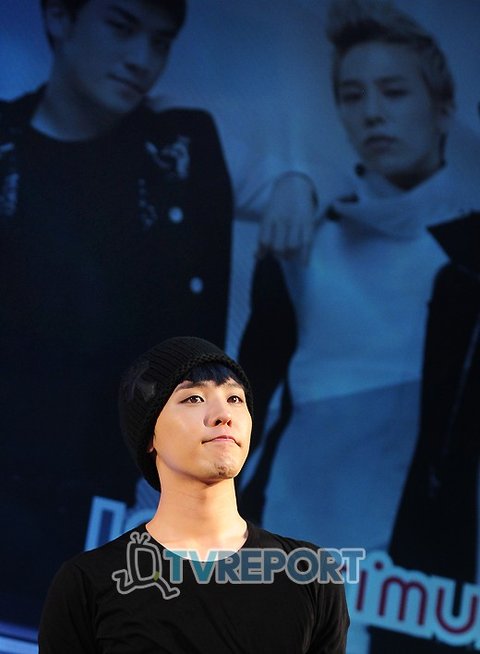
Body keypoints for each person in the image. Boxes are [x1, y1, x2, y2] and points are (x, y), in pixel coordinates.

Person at [0, 0, 315, 631]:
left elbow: (295, 178)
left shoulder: (181, 146)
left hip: (112, 500)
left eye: (161, 41)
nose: (142, 59)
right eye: (121, 28)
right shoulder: (8, 143)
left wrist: (296, 184)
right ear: (59, 17)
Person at [238, 1, 480, 652]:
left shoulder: (468, 259)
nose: (372, 112)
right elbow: (244, 401)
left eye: (394, 92)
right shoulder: (301, 241)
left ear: (443, 109)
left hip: (411, 583)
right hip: (278, 548)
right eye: (353, 95)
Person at [38, 336, 350, 653]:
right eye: (194, 398)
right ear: (150, 436)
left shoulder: (310, 575)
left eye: (235, 398)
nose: (223, 414)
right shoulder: (88, 584)